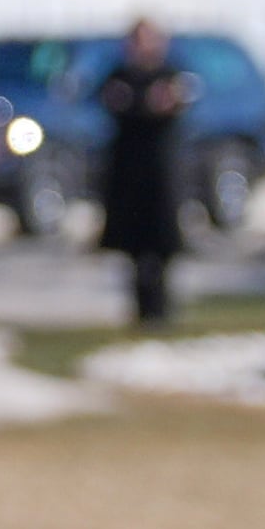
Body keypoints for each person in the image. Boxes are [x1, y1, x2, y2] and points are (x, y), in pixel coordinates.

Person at [96, 17, 194, 327]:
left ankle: (161, 309)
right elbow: (111, 102)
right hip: (129, 171)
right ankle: (141, 310)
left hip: (161, 171)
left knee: (162, 242)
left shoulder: (171, 74)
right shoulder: (120, 75)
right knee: (134, 247)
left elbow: (173, 104)